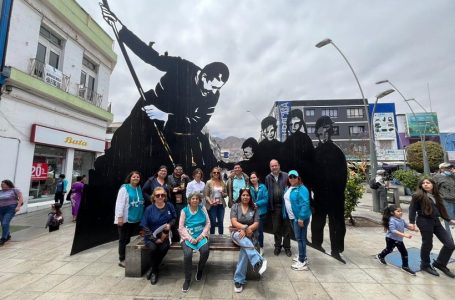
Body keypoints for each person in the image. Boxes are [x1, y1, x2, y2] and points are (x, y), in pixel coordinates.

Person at [100, 5, 229, 174]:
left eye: (217, 89)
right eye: (212, 87)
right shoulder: (181, 66)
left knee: (165, 167)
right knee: (122, 149)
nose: (213, 93)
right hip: (149, 108)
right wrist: (121, 30)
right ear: (203, 76)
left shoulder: (213, 95)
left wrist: (166, 117)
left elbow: (197, 124)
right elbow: (151, 57)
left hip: (174, 130)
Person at [311, 116, 347, 263]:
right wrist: (313, 191)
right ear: (318, 132)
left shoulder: (337, 152)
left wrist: (339, 192)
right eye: (321, 130)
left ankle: (336, 250)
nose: (324, 133)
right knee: (318, 222)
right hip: (320, 195)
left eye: (327, 130)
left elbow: (343, 175)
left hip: (336, 195)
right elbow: (311, 174)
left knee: (337, 224)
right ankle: (317, 245)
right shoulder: (315, 153)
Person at [409, 178, 455, 277]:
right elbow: (412, 209)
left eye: (428, 183)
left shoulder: (436, 195)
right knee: (428, 244)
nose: (425, 184)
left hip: (436, 221)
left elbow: (441, 209)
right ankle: (425, 265)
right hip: (424, 221)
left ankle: (440, 263)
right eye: (423, 183)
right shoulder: (418, 195)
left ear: (433, 184)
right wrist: (411, 222)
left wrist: (449, 219)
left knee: (450, 244)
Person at [231, 188, 267, 293]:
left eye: (247, 195)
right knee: (240, 236)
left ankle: (238, 280)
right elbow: (234, 222)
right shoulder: (235, 206)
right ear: (240, 196)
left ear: (250, 197)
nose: (245, 197)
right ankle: (258, 260)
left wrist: (248, 229)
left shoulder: (254, 208)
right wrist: (244, 228)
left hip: (251, 235)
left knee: (244, 251)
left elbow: (256, 223)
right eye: (243, 195)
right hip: (237, 233)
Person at [141, 187, 177, 285]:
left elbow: (174, 218)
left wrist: (170, 224)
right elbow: (144, 225)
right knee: (153, 248)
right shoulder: (149, 209)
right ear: (154, 197)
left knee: (163, 248)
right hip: (151, 235)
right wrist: (154, 239)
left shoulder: (169, 206)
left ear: (165, 196)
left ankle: (152, 268)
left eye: (162, 195)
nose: (160, 197)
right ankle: (155, 271)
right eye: (158, 195)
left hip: (165, 234)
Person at [178, 192, 211, 292]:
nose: (195, 200)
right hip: (187, 237)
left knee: (205, 251)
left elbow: (208, 223)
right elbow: (181, 227)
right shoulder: (184, 211)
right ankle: (187, 279)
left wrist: (201, 236)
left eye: (197, 198)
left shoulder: (203, 209)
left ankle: (200, 269)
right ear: (189, 200)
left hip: (201, 236)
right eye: (193, 198)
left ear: (199, 200)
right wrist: (190, 238)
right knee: (187, 254)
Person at [114, 171, 145, 268]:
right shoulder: (124, 188)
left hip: (135, 218)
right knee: (123, 239)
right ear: (130, 178)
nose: (136, 178)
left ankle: (127, 256)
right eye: (134, 177)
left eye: (138, 177)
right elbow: (119, 204)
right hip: (125, 219)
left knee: (129, 238)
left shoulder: (139, 188)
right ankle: (122, 259)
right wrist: (120, 217)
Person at [376, 205, 416, 275]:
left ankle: (405, 266)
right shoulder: (392, 220)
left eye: (401, 211)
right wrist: (405, 235)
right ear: (392, 213)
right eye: (398, 211)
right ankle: (381, 256)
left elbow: (406, 226)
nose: (400, 212)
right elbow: (393, 230)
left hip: (398, 239)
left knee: (404, 252)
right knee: (389, 250)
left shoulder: (401, 220)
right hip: (391, 239)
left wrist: (413, 229)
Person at [284, 170, 311, 271]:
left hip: (299, 218)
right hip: (293, 217)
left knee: (301, 239)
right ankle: (302, 256)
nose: (292, 179)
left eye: (294, 177)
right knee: (299, 238)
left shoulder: (302, 189)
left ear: (298, 178)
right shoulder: (291, 187)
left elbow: (305, 204)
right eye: (290, 177)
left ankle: (302, 262)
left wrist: (301, 217)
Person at [265, 159, 291, 256]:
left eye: (276, 165)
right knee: (276, 228)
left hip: (285, 207)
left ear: (279, 165)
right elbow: (267, 191)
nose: (274, 167)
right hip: (274, 207)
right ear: (270, 167)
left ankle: (287, 247)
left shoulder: (286, 175)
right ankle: (277, 247)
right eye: (272, 166)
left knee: (287, 228)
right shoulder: (268, 178)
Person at [168, 164, 190, 242]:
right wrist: (172, 189)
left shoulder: (184, 178)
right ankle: (175, 237)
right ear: (174, 170)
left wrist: (187, 178)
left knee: (182, 219)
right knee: (174, 218)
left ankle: (182, 236)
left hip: (183, 201)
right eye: (177, 169)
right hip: (173, 201)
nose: (179, 171)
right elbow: (167, 187)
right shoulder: (170, 178)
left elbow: (190, 185)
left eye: (180, 169)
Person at [433, 162, 455, 236]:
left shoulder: (452, 176)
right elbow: (434, 189)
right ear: (441, 169)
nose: (450, 169)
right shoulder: (437, 177)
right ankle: (451, 238)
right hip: (446, 201)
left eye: (450, 168)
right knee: (450, 220)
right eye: (447, 168)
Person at [249, 172, 268, 255]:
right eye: (251, 178)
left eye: (254, 177)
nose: (253, 179)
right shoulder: (249, 188)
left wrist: (257, 204)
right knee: (252, 231)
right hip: (252, 212)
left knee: (259, 231)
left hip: (261, 212)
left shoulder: (263, 187)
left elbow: (266, 199)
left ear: (258, 178)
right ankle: (253, 246)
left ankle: (261, 247)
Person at [204, 167, 227, 235]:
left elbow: (226, 194)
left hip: (221, 205)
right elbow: (206, 195)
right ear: (212, 173)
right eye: (214, 172)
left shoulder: (222, 182)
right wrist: (211, 203)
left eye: (218, 172)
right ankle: (212, 237)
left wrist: (223, 194)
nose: (216, 173)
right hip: (212, 205)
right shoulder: (208, 182)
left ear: (220, 173)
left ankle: (221, 237)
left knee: (220, 222)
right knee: (213, 222)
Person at [0, 179, 23, 246]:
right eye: (1, 184)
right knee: (3, 223)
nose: (2, 185)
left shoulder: (14, 190)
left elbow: (21, 198)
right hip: (1, 209)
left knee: (5, 223)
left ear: (8, 184)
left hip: (10, 208)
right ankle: (8, 235)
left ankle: (3, 238)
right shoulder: (1, 191)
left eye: (3, 184)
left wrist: (18, 206)